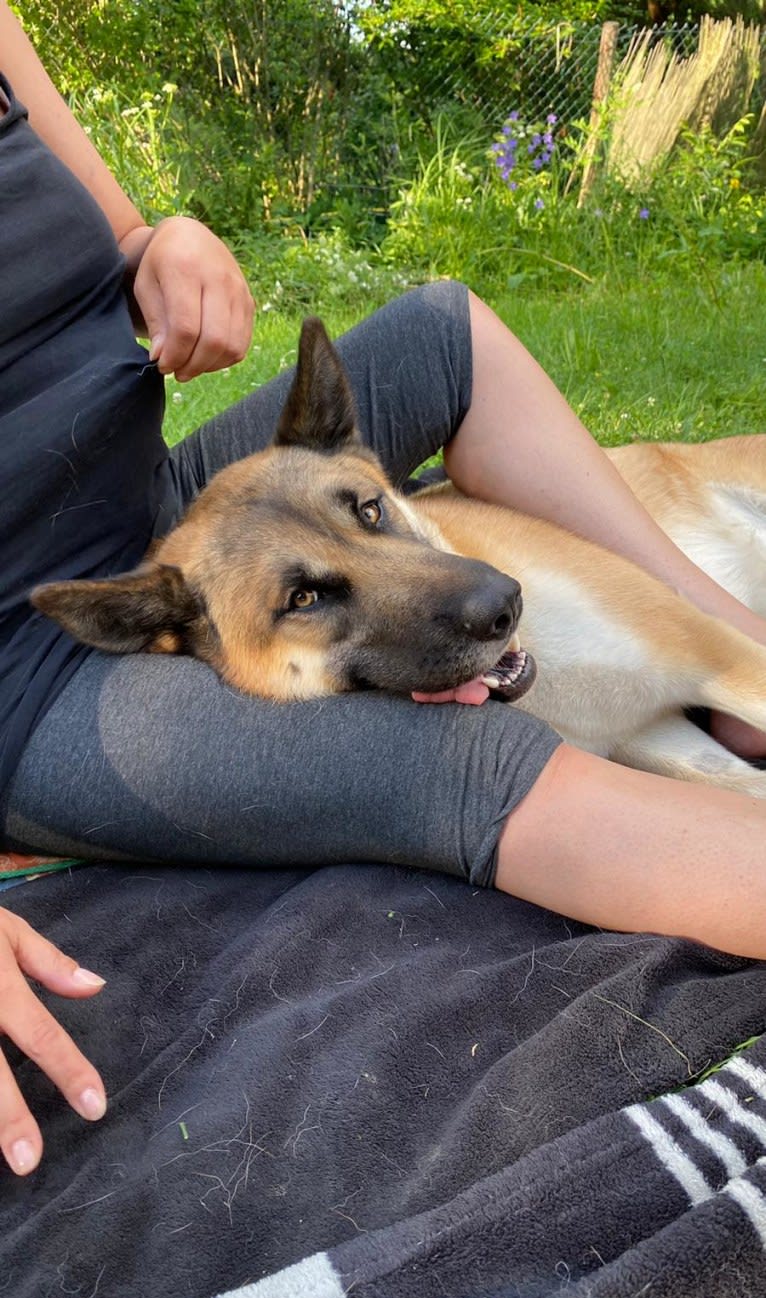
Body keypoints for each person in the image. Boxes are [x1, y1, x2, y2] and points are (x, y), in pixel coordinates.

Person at [2, 0, 766, 1182]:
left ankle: (728, 645)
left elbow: (119, 234)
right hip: (29, 666)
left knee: (441, 328)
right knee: (472, 758)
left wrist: (161, 242)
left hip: (151, 499)